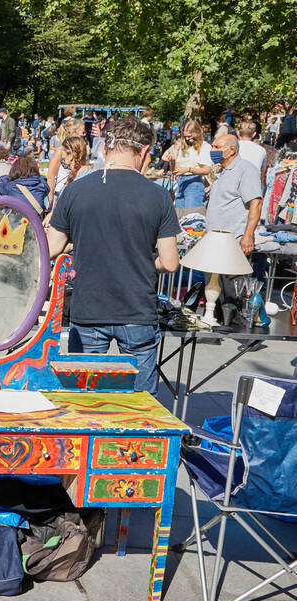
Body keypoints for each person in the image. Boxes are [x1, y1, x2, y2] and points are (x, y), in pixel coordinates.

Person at [46, 117, 180, 395]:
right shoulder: (158, 196)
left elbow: (51, 248)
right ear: (143, 151)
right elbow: (169, 262)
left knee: (84, 400)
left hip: (88, 309)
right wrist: (144, 260)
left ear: (105, 149)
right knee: (141, 406)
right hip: (136, 309)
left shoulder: (75, 190)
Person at [205, 134, 262, 255]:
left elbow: (256, 204)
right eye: (212, 147)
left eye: (217, 147)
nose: (212, 151)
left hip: (233, 242)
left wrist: (248, 236)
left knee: (232, 274)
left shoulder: (246, 169)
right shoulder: (220, 170)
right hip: (214, 240)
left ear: (232, 150)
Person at [162, 120, 212, 217]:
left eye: (190, 136)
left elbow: (206, 170)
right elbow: (175, 170)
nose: (187, 138)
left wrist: (188, 169)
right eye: (185, 136)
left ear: (197, 133)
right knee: (178, 216)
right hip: (180, 182)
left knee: (192, 216)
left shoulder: (205, 147)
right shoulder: (182, 146)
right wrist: (172, 159)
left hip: (194, 182)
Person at [46, 118, 86, 210]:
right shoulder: (60, 151)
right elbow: (51, 176)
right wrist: (50, 198)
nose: (84, 135)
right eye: (83, 133)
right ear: (73, 133)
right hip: (60, 196)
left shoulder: (82, 150)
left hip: (77, 196)